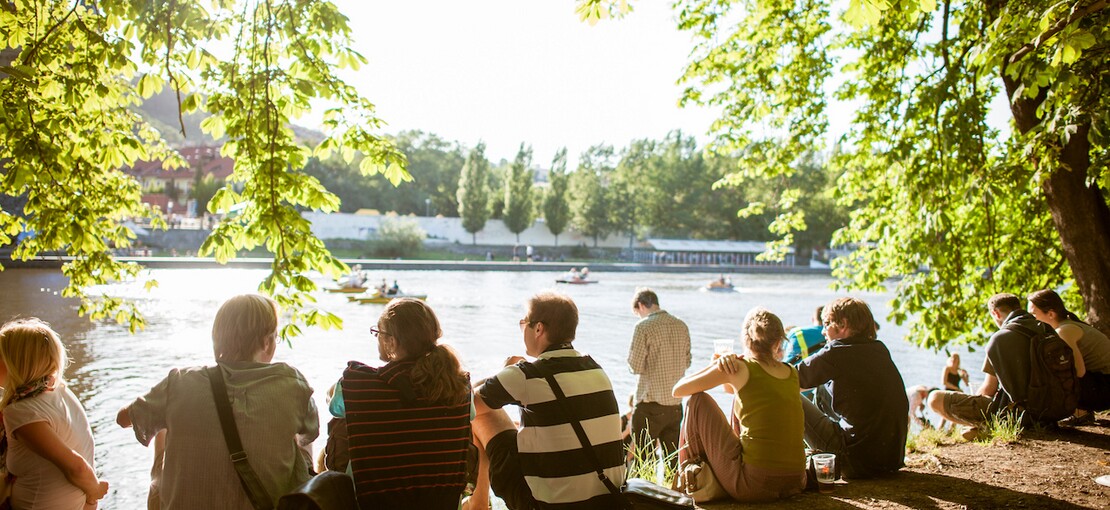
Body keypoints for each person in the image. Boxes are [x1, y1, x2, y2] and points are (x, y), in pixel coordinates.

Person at [117, 294, 319, 509]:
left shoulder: (179, 382)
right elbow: (309, 433)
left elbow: (123, 419)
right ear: (266, 342)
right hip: (266, 503)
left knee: (163, 427)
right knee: (301, 442)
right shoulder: (292, 383)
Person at [469, 292, 625, 510]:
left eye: (523, 323)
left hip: (546, 505)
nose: (522, 328)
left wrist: (503, 373)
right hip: (607, 500)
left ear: (539, 329)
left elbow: (467, 408)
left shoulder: (524, 375)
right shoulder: (596, 369)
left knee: (483, 414)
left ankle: (478, 503)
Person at [327, 298, 472, 509]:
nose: (376, 338)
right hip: (442, 502)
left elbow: (334, 406)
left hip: (374, 502)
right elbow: (472, 415)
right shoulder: (458, 384)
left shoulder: (359, 383)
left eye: (378, 333)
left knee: (340, 423)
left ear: (392, 342)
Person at [672, 307, 806, 502]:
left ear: (745, 339)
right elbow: (731, 390)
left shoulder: (740, 367)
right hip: (796, 481)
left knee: (697, 401)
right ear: (778, 343)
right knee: (739, 398)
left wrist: (716, 366)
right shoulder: (791, 372)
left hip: (754, 486)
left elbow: (678, 390)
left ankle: (691, 481)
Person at [0, 318, 109, 509]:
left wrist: (94, 492)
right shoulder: (59, 391)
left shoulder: (21, 412)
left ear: (16, 362)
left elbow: (77, 467)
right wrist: (91, 500)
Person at [796, 297, 908, 479]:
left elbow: (787, 378)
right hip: (890, 460)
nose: (823, 332)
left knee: (789, 395)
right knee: (822, 389)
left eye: (826, 325)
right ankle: (819, 452)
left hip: (854, 461)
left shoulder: (836, 352)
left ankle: (818, 458)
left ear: (843, 324)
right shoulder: (879, 349)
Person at [928, 293, 1039, 437]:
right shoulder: (1044, 329)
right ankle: (983, 429)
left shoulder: (1000, 338)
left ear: (996, 313)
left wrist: (975, 397)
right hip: (1047, 411)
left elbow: (988, 389)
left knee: (934, 398)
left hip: (1016, 414)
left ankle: (986, 427)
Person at [627, 288, 691, 471]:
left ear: (640, 306)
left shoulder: (643, 327)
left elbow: (635, 366)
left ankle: (644, 498)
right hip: (675, 405)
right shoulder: (681, 325)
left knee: (644, 461)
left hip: (650, 404)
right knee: (673, 460)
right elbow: (687, 362)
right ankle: (674, 496)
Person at [1027, 289, 1110, 426]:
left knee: (1054, 373)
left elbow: (1079, 371)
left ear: (1051, 314)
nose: (1030, 319)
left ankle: (1080, 414)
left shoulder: (1063, 331)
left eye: (1033, 314)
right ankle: (1081, 412)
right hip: (1103, 383)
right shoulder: (1069, 324)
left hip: (1105, 388)